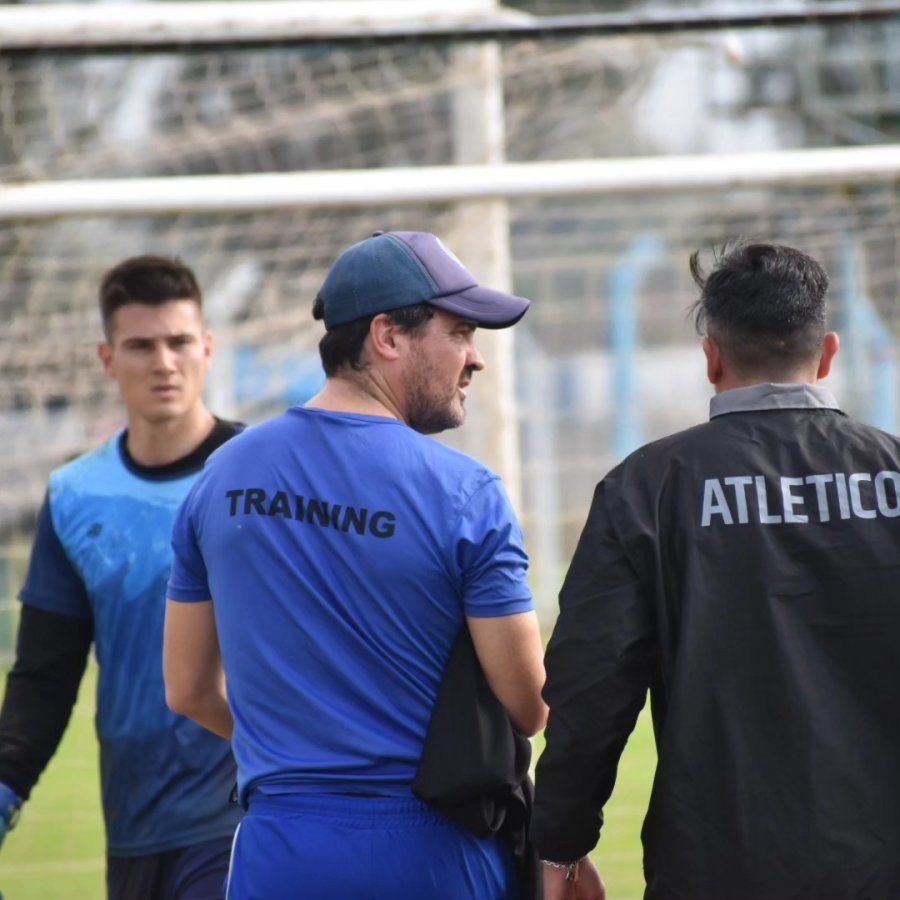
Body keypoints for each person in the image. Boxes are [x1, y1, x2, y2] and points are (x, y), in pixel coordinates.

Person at [163, 230, 548, 900]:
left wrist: (294, 750)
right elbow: (529, 702)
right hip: (432, 851)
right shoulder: (467, 492)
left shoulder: (221, 475)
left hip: (279, 849)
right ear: (387, 337)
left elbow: (188, 690)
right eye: (459, 332)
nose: (476, 359)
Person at [531, 241, 900, 900]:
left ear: (712, 357)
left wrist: (561, 842)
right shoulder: (893, 472)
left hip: (719, 866)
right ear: (828, 352)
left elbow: (591, 686)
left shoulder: (647, 488)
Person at [0, 255, 244, 899]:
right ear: (108, 359)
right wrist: (5, 786)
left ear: (208, 348)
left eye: (179, 342)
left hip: (245, 809)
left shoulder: (260, 476)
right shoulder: (74, 495)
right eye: (141, 346)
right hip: (135, 819)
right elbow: (46, 674)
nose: (164, 362)